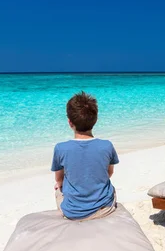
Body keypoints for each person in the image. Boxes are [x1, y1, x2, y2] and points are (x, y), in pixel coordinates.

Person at [51, 91, 119, 221]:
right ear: (96, 119)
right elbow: (109, 173)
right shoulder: (107, 145)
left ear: (70, 123)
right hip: (104, 209)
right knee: (111, 187)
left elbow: (59, 180)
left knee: (57, 190)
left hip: (72, 212)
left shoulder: (60, 148)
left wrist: (60, 185)